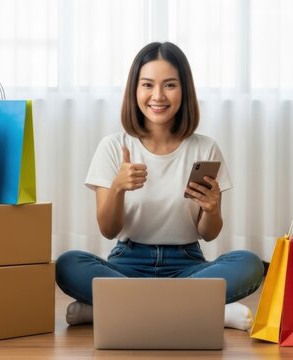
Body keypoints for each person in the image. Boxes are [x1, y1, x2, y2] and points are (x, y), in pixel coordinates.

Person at [55, 42, 264, 331]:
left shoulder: (205, 148)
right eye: (147, 85)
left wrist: (212, 209)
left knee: (250, 264)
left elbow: (208, 233)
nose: (158, 96)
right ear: (134, 91)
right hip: (127, 263)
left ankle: (110, 309)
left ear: (184, 91)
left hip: (188, 265)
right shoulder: (114, 147)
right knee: (68, 263)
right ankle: (204, 311)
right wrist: (117, 188)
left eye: (169, 85)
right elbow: (109, 230)